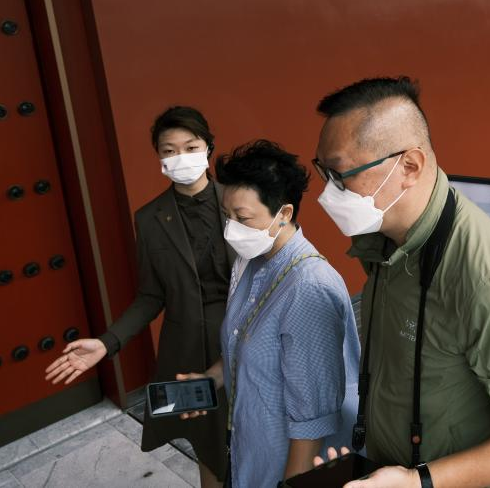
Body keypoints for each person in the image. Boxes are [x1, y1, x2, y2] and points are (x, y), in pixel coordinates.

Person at [313, 77, 490, 487]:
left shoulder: (489, 281)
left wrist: (418, 481)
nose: (328, 192)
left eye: (341, 174)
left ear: (409, 167)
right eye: (323, 172)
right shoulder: (384, 240)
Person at [44, 107, 231, 488]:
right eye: (169, 150)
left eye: (190, 147)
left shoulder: (238, 201)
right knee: (207, 446)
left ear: (208, 148)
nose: (180, 157)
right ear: (159, 158)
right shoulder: (149, 218)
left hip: (246, 338)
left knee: (260, 435)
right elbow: (150, 294)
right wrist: (106, 342)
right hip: (185, 351)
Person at [178, 140, 360, 486]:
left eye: (242, 218)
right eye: (227, 215)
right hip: (249, 450)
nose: (231, 228)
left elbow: (312, 421)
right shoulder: (251, 260)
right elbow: (242, 345)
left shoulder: (308, 288)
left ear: (284, 214)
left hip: (283, 465)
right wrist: (211, 379)